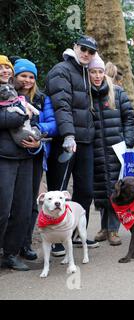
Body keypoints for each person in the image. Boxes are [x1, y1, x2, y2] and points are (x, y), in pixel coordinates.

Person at [45, 35, 100, 256]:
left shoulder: (86, 72)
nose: (86, 53)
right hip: (66, 142)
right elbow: (62, 105)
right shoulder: (62, 70)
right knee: (57, 192)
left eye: (91, 51)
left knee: (85, 191)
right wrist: (68, 135)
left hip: (85, 141)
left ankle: (76, 233)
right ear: (75, 47)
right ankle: (55, 239)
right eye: (83, 49)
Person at [88, 54, 134, 246]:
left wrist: (128, 140)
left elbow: (129, 118)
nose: (97, 76)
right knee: (100, 189)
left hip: (116, 149)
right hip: (96, 150)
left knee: (116, 188)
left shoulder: (117, 93)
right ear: (88, 73)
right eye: (93, 72)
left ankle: (114, 229)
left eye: (100, 72)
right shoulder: (86, 95)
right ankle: (104, 227)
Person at [13, 59, 58, 261]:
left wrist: (38, 133)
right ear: (15, 77)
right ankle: (10, 245)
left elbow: (53, 124)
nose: (28, 80)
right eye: (23, 76)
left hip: (35, 155)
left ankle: (25, 243)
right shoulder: (9, 96)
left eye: (31, 77)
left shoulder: (40, 98)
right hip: (10, 155)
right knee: (13, 202)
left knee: (31, 202)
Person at [0, 54, 34, 271]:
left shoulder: (18, 94)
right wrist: (21, 115)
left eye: (7, 68)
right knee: (2, 210)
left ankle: (10, 254)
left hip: (25, 157)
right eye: (0, 68)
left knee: (22, 209)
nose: (5, 71)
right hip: (3, 158)